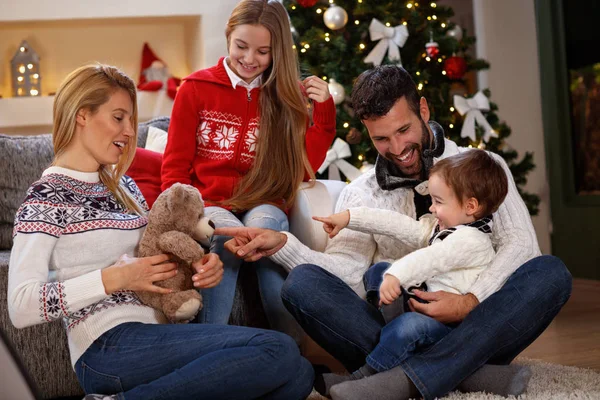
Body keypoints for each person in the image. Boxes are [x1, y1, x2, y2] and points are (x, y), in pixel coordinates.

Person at [215, 65, 572, 400]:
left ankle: (400, 380)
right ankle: (470, 374)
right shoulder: (362, 192)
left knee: (549, 273)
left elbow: (522, 245)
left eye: (404, 130)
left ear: (423, 110)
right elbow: (350, 277)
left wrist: (469, 302)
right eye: (382, 138)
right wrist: (284, 246)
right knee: (303, 284)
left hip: (480, 324)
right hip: (399, 330)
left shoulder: (484, 168)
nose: (397, 149)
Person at [7, 64, 314, 400]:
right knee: (278, 350)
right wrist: (115, 278)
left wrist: (198, 269)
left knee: (298, 375)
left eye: (131, 119)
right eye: (118, 117)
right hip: (108, 347)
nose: (128, 131)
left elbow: (154, 256)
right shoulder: (47, 195)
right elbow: (21, 305)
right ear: (82, 115)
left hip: (161, 336)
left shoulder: (124, 186)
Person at [161, 0, 336, 337]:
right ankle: (209, 347)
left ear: (277, 53)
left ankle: (291, 357)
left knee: (269, 235)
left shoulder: (284, 96)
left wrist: (324, 112)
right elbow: (174, 169)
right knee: (230, 238)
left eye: (263, 51)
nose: (249, 59)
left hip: (265, 203)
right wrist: (188, 217)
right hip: (211, 205)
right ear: (228, 37)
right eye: (241, 46)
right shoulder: (196, 89)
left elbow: (303, 169)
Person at [311, 150, 532, 398]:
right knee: (378, 271)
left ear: (470, 206)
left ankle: (365, 377)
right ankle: (462, 369)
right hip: (424, 306)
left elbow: (430, 260)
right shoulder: (439, 227)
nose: (431, 207)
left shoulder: (472, 240)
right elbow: (395, 224)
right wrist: (349, 217)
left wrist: (397, 277)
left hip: (450, 329)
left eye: (438, 201)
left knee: (408, 323)